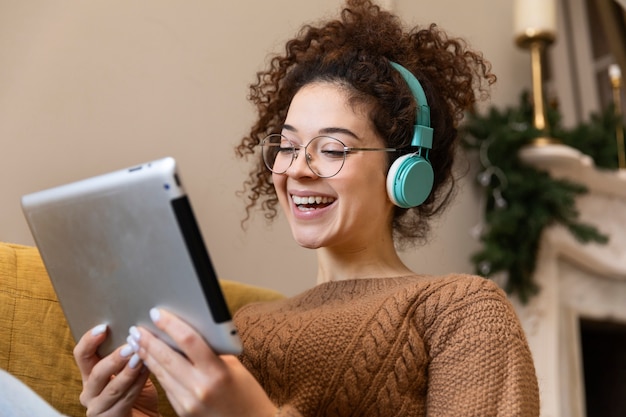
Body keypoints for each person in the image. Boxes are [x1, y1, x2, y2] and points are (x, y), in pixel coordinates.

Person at [72, 0, 540, 416]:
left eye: (333, 149)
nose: (297, 169)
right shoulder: (245, 330)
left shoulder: (460, 310)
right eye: (288, 147)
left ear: (405, 173)